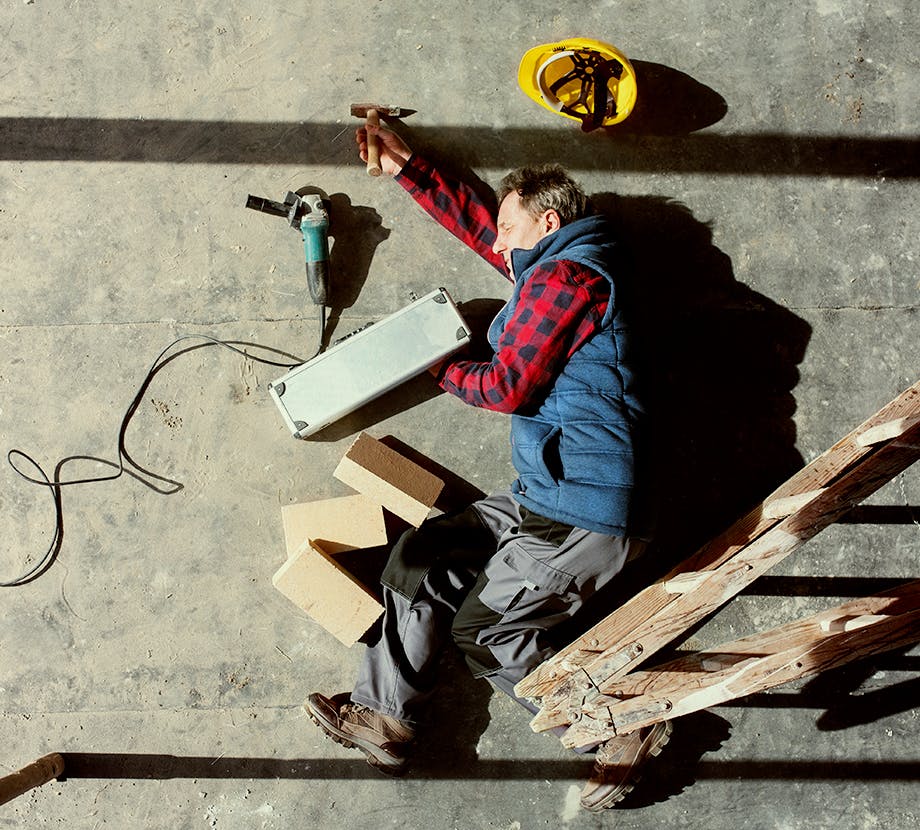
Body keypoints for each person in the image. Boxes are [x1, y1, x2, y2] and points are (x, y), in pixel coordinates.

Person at [305, 122, 670, 811]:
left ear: (549, 222)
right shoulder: (557, 265)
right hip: (548, 491)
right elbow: (483, 224)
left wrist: (434, 359)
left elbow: (507, 387)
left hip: (586, 508)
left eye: (511, 230)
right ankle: (385, 716)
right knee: (424, 553)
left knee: (487, 632)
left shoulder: (568, 277)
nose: (497, 246)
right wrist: (409, 165)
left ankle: (615, 726)